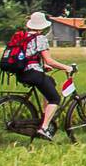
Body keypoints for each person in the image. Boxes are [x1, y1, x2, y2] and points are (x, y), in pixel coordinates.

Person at [11, 12, 73, 140]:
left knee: (49, 81)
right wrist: (67, 67)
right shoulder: (40, 38)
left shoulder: (23, 37)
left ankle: (45, 115)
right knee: (55, 99)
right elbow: (49, 60)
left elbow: (30, 58)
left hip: (21, 73)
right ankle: (44, 128)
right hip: (33, 73)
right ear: (42, 26)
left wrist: (43, 67)